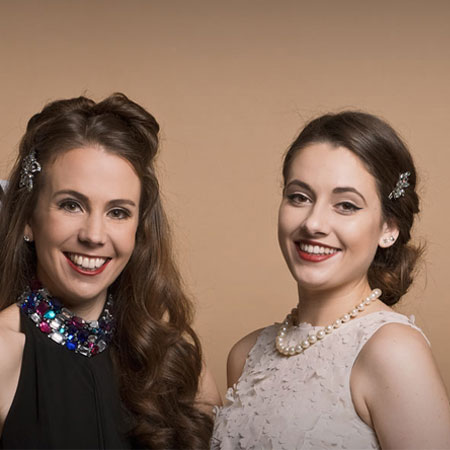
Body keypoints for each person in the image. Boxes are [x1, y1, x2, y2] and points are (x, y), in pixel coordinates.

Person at [211, 111, 450, 449]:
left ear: (389, 228)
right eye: (299, 197)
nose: (313, 223)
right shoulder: (246, 355)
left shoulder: (393, 352)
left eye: (346, 205)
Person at [0, 93, 220, 449]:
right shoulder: (4, 352)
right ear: (28, 219)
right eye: (71, 205)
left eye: (118, 212)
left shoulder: (176, 362)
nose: (94, 235)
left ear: (138, 229)